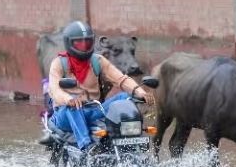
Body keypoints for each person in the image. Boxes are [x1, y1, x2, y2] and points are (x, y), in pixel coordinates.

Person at [41, 21, 153, 150]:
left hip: (94, 109)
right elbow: (54, 89)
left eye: (87, 42)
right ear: (69, 43)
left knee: (125, 97)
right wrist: (68, 99)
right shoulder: (59, 63)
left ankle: (134, 138)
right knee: (73, 107)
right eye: (79, 43)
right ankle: (86, 146)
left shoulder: (97, 60)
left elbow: (121, 79)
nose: (84, 46)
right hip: (66, 113)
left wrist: (140, 92)